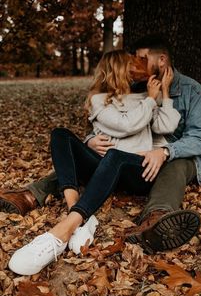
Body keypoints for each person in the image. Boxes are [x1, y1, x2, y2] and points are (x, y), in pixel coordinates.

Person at [8, 49, 190, 275]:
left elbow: (167, 126)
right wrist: (90, 141)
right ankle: (77, 211)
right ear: (117, 72)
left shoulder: (146, 98)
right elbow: (126, 124)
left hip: (137, 170)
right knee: (60, 135)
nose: (136, 69)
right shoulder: (98, 100)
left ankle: (65, 228)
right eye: (130, 66)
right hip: (105, 172)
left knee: (115, 155)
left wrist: (163, 94)